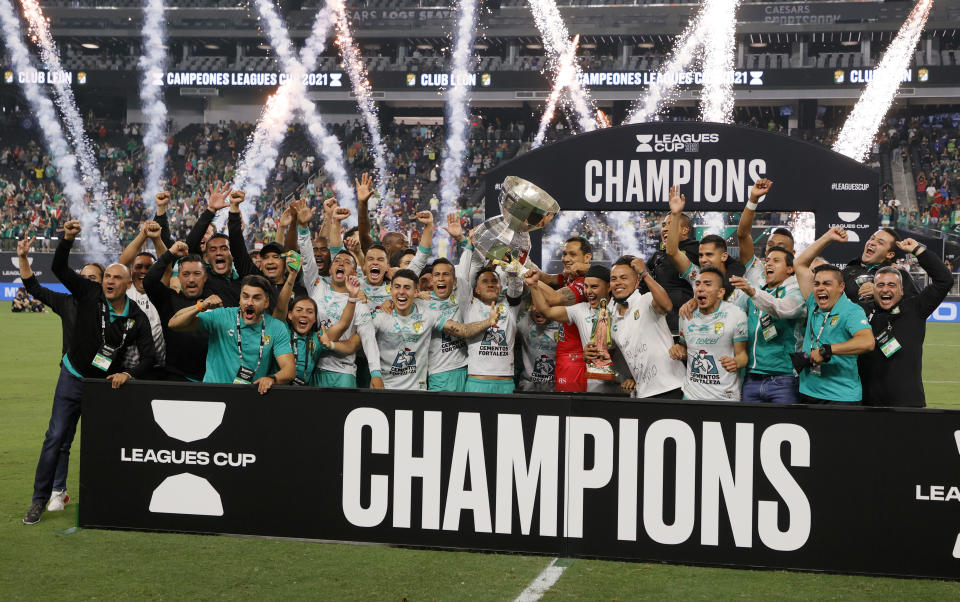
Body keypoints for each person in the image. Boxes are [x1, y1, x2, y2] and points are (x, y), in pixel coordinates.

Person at [24, 221, 156, 526]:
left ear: (127, 284)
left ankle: (110, 498)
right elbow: (59, 268)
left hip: (105, 386)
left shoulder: (135, 317)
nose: (109, 281)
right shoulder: (88, 291)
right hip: (72, 376)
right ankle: (39, 500)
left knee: (108, 442)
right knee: (55, 436)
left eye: (115, 278)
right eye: (107, 276)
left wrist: (130, 374)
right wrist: (67, 239)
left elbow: (149, 356)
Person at [296, 199, 384, 388]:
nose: (341, 263)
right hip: (313, 368)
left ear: (354, 273)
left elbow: (368, 338)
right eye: (337, 261)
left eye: (347, 262)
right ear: (330, 269)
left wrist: (375, 373)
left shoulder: (359, 302)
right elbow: (307, 259)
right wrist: (303, 228)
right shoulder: (318, 286)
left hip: (344, 373)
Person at [858, 238, 953, 407]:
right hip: (868, 404)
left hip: (908, 403)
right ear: (873, 289)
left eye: (891, 285)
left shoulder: (916, 308)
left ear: (902, 290)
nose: (885, 289)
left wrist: (918, 250)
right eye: (880, 285)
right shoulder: (862, 312)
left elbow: (944, 280)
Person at [370, 269, 498, 390]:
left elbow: (464, 330)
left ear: (416, 292)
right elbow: (365, 340)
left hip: (416, 390)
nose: (401, 292)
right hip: (385, 389)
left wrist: (488, 322)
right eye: (397, 287)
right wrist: (375, 373)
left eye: (407, 287)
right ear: (390, 290)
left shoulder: (428, 315)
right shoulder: (380, 315)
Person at [168, 274, 295, 392]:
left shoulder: (276, 327)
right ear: (239, 299)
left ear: (266, 303)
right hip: (214, 392)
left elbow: (289, 370)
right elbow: (174, 324)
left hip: (250, 396)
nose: (249, 302)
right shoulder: (222, 316)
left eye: (256, 298)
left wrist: (272, 379)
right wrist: (200, 306)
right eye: (245, 296)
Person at [794, 227, 876, 404]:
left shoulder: (851, 311)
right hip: (808, 392)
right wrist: (827, 237)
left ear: (841, 287)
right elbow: (800, 264)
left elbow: (867, 342)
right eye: (816, 284)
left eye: (827, 284)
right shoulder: (813, 302)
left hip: (839, 398)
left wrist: (827, 350)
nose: (820, 288)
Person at [527, 265, 623, 394]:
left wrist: (610, 350)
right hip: (593, 387)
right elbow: (547, 311)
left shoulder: (621, 309)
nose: (588, 291)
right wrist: (534, 285)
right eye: (586, 286)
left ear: (609, 287)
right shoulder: (580, 310)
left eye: (594, 287)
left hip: (622, 385)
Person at [728, 247, 805, 404]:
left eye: (776, 261)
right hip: (751, 377)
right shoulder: (754, 292)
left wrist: (752, 292)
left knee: (783, 426)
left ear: (790, 269)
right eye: (767, 260)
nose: (769, 264)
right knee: (749, 426)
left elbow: (782, 308)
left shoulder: (797, 292)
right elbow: (732, 314)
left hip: (784, 379)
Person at [271, 263, 364, 386]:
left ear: (315, 319)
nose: (304, 314)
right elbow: (280, 308)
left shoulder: (317, 339)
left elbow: (342, 324)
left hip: (303, 393)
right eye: (299, 310)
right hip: (277, 389)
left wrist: (352, 297)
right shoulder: (281, 331)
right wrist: (292, 276)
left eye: (310, 312)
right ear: (290, 315)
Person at [606, 256, 685, 399]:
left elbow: (667, 305)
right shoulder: (611, 317)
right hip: (643, 393)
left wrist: (645, 274)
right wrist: (628, 377)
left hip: (672, 387)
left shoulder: (646, 300)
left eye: (624, 278)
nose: (618, 283)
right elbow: (615, 352)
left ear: (637, 282)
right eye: (613, 279)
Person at [670, 267, 748, 401]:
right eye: (698, 284)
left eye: (707, 284)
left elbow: (742, 355)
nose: (700, 288)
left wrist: (735, 362)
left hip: (724, 396)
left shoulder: (736, 315)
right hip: (691, 395)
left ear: (720, 292)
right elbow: (684, 347)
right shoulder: (685, 315)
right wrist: (678, 349)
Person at [529, 237, 594, 393]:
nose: (565, 259)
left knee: (574, 410)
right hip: (565, 357)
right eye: (564, 254)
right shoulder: (570, 278)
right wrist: (520, 262)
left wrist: (531, 280)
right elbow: (546, 277)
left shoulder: (584, 283)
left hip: (577, 358)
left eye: (572, 254)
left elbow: (552, 299)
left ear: (587, 258)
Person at [143, 242, 211, 381]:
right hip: (176, 377)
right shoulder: (168, 300)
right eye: (185, 274)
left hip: (211, 377)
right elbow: (149, 282)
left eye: (197, 274)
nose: (191, 279)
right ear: (178, 277)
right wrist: (170, 254)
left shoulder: (216, 301)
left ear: (205, 277)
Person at [463, 265, 524, 394]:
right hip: (477, 382)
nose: (490, 284)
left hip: (505, 383)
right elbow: (466, 277)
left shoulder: (510, 306)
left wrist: (512, 270)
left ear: (501, 288)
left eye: (494, 281)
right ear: (477, 290)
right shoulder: (469, 306)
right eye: (485, 281)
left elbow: (516, 290)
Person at [842, 227, 919, 302]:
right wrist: (829, 239)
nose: (871, 243)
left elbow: (916, 308)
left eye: (880, 243)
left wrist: (882, 294)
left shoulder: (899, 275)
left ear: (890, 254)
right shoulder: (849, 271)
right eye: (872, 238)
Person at [517, 303, 561, 392]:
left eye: (544, 305)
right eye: (534, 304)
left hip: (556, 388)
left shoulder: (563, 324)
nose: (538, 310)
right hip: (528, 387)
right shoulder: (525, 323)